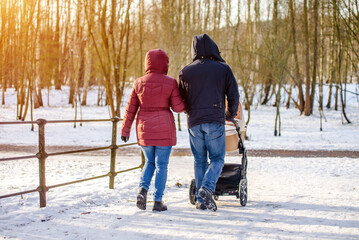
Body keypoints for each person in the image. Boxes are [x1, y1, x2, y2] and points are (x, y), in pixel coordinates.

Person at [179, 34, 239, 211]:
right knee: (217, 159)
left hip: (194, 122)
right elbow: (233, 94)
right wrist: (230, 114)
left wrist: (189, 112)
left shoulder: (186, 71)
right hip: (215, 119)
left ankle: (201, 200)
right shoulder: (223, 69)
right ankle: (207, 188)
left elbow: (181, 99)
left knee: (199, 160)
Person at [120, 49, 186, 212]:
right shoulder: (170, 82)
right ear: (165, 63)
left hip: (145, 129)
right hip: (164, 129)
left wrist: (125, 130)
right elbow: (178, 108)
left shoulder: (138, 82)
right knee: (162, 165)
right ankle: (157, 201)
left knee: (149, 162)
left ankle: (142, 190)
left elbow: (131, 109)